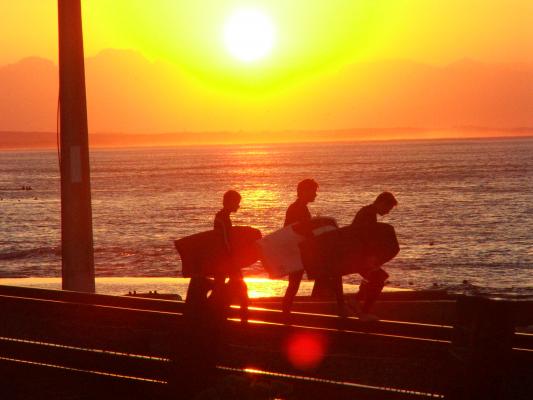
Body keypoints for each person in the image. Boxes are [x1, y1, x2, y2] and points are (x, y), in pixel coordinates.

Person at [282, 179, 350, 318]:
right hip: (301, 252)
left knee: (297, 284)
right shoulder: (296, 208)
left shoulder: (301, 207)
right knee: (296, 284)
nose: (315, 195)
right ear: (303, 192)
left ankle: (340, 307)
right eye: (313, 191)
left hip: (305, 251)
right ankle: (285, 313)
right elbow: (293, 230)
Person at [350, 191, 398, 321]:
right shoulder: (368, 214)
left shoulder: (368, 212)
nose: (388, 212)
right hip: (357, 256)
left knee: (376, 276)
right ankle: (363, 311)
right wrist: (370, 258)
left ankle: (357, 301)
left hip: (356, 254)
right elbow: (366, 238)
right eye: (388, 208)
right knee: (379, 278)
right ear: (382, 203)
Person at [212, 189, 249, 324]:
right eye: (237, 203)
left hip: (223, 260)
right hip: (226, 260)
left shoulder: (222, 217)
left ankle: (220, 315)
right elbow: (225, 241)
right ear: (229, 202)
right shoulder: (222, 218)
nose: (238, 206)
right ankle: (243, 321)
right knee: (240, 288)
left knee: (222, 288)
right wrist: (232, 259)